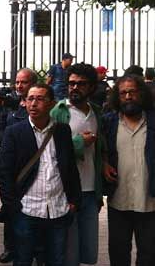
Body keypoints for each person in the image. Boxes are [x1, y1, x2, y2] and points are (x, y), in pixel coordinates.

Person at [0, 83, 81, 266]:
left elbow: (69, 168)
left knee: (56, 259)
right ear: (25, 102)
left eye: (40, 99)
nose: (34, 104)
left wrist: (73, 200)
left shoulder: (62, 131)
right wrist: (12, 207)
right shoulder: (14, 132)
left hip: (57, 209)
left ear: (51, 104)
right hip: (27, 209)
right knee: (23, 259)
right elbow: (4, 172)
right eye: (30, 99)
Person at [49, 63, 105, 266]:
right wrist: (79, 143)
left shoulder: (97, 112)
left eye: (81, 84)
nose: (75, 88)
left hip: (91, 191)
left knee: (88, 251)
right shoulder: (59, 112)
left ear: (91, 87)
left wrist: (105, 164)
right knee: (69, 252)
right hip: (66, 192)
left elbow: (102, 148)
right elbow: (50, 150)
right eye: (72, 83)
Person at [102, 75, 155, 266]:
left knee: (149, 255)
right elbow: (99, 150)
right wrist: (103, 163)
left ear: (141, 94)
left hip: (149, 202)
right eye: (123, 93)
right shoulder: (108, 122)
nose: (128, 96)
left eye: (132, 91)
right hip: (119, 201)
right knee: (118, 253)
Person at [0, 67, 39, 263]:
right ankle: (10, 246)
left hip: (28, 163)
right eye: (17, 82)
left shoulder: (35, 105)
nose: (19, 86)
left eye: (23, 82)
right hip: (10, 162)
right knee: (10, 206)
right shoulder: (9, 105)